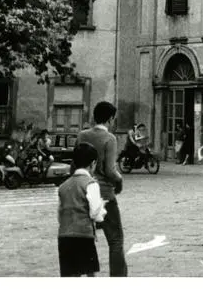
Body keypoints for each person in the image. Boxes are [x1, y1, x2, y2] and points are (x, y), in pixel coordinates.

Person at [77, 101, 127, 277]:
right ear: (111, 118)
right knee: (115, 240)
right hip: (104, 193)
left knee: (87, 238)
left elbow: (75, 165)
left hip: (83, 192)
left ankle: (90, 276)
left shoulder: (82, 135)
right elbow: (110, 171)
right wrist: (119, 181)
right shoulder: (110, 139)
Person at [57, 142, 107, 277]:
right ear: (93, 164)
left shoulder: (63, 186)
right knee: (90, 273)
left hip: (64, 236)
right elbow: (95, 212)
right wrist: (102, 212)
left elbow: (60, 213)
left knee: (71, 275)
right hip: (84, 234)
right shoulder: (91, 183)